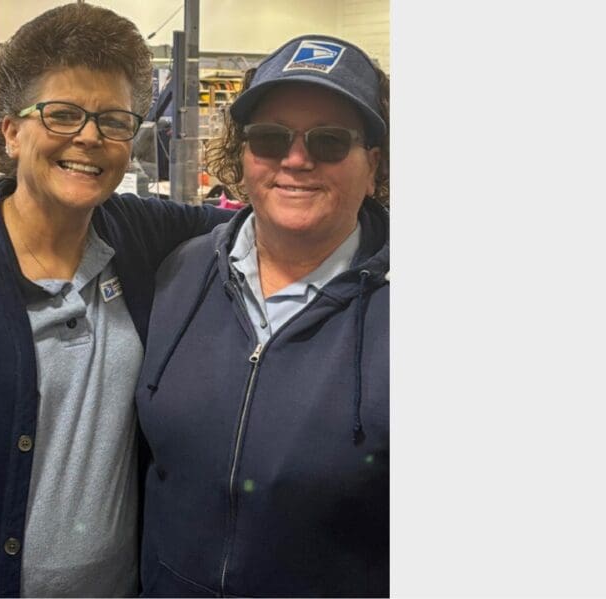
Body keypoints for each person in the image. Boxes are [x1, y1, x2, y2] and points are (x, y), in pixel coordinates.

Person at [0, 4, 231, 597]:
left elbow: (265, 225)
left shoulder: (140, 235)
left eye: (114, 120)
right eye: (62, 114)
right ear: (12, 132)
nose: (90, 136)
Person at [135, 35, 390, 597]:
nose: (296, 160)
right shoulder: (181, 273)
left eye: (329, 141)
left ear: (372, 164)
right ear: (244, 154)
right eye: (271, 138)